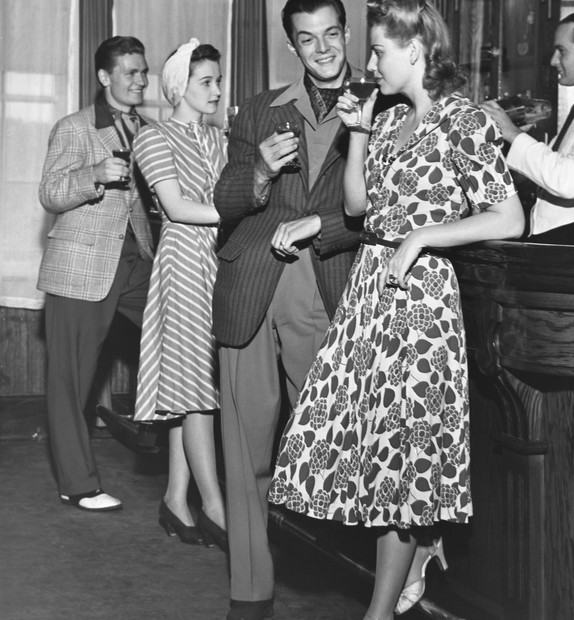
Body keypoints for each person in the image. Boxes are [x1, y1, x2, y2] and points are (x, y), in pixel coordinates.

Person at [269, 1, 525, 619]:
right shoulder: (386, 120)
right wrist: (359, 132)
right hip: (370, 293)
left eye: (380, 50)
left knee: (399, 459)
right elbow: (358, 208)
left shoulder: (463, 121)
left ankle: (379, 611)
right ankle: (408, 570)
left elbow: (509, 216)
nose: (370, 62)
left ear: (414, 50)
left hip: (420, 302)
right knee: (352, 440)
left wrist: (423, 237)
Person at [212, 0, 363, 617]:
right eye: (307, 39)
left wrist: (320, 223)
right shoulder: (260, 108)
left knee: (338, 440)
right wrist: (260, 172)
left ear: (347, 34)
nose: (322, 49)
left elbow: (389, 206)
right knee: (245, 448)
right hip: (251, 285)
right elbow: (225, 200)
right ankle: (249, 591)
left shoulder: (384, 106)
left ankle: (390, 576)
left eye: (331, 34)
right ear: (292, 45)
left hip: (326, 285)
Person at [38, 36, 154, 512]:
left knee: (182, 335)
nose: (140, 80)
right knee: (70, 380)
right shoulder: (75, 127)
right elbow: (50, 192)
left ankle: (170, 440)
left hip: (137, 262)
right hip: (82, 264)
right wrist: (93, 175)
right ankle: (78, 484)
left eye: (143, 71)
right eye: (130, 72)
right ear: (105, 77)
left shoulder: (148, 129)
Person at [132, 39, 227, 550]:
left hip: (219, 260)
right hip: (185, 261)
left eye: (218, 80)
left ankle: (174, 497)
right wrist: (238, 210)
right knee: (197, 388)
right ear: (178, 86)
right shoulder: (153, 138)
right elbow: (176, 207)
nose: (217, 90)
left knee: (188, 384)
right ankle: (214, 506)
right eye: (206, 81)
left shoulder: (220, 138)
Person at [482, 9, 574, 245]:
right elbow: (551, 175)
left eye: (561, 51)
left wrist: (513, 135)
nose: (553, 60)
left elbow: (571, 181)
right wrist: (512, 140)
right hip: (568, 243)